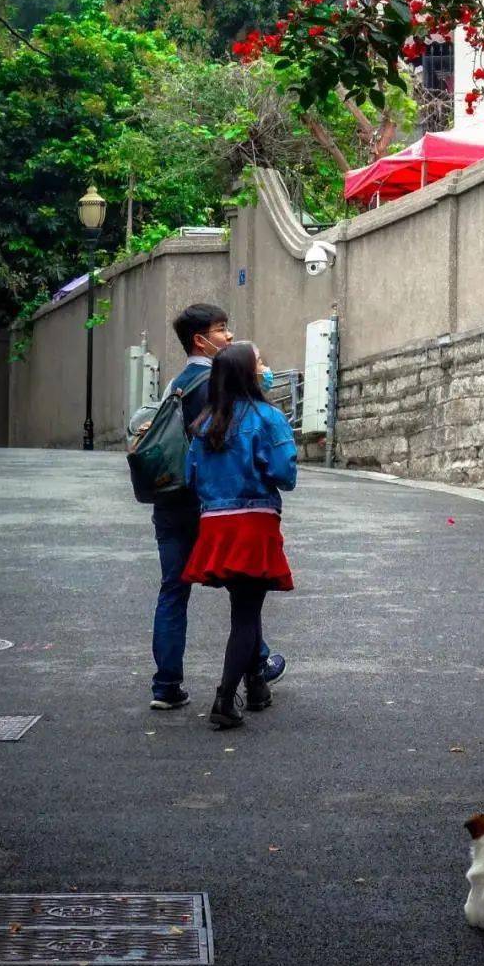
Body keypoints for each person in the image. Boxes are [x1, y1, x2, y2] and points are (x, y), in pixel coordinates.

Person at [149, 304, 287, 710]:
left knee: (173, 590)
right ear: (201, 339)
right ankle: (254, 671)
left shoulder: (174, 384)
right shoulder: (219, 382)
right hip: (214, 506)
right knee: (245, 592)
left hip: (169, 502)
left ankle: (166, 685)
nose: (228, 337)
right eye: (222, 330)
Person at [181, 341, 298, 729]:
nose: (265, 366)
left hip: (215, 523)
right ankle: (225, 697)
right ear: (249, 373)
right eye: (259, 361)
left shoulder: (203, 423)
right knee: (246, 613)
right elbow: (286, 474)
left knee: (246, 605)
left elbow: (190, 478)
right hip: (254, 521)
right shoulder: (268, 418)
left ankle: (257, 684)